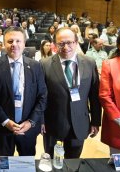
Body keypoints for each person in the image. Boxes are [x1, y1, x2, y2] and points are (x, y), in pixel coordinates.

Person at [40, 27, 101, 158]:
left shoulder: (89, 63)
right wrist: (41, 120)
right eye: (61, 43)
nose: (65, 47)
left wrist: (95, 121)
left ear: (76, 42)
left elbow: (94, 95)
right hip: (52, 123)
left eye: (69, 43)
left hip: (79, 122)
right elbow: (41, 96)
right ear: (55, 44)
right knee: (50, 161)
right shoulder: (44, 64)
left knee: (73, 162)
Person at [0, 27, 47, 156]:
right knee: (3, 167)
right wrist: (5, 121)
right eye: (10, 41)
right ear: (4, 44)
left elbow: (43, 96)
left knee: (26, 164)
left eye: (18, 41)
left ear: (24, 43)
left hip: (28, 128)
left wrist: (31, 122)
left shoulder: (36, 66)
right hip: (2, 129)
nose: (14, 45)